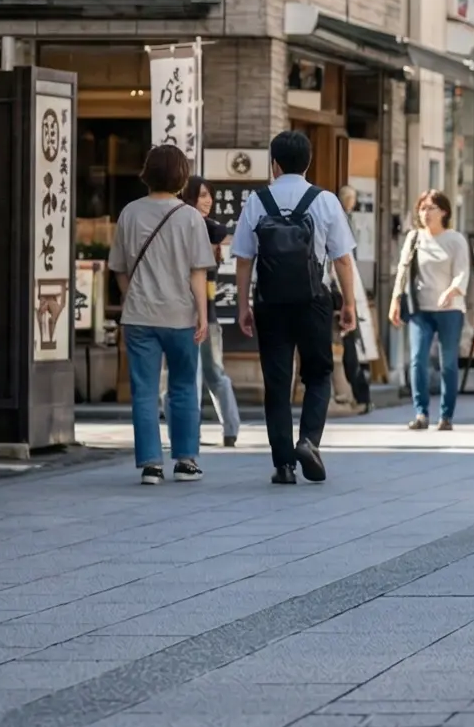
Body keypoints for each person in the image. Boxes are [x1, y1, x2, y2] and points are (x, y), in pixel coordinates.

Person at [231, 130, 362, 485]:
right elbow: (343, 260)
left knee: (277, 381)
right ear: (309, 162)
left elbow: (244, 259)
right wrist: (348, 303)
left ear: (274, 163)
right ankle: (308, 441)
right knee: (318, 374)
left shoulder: (258, 201)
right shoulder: (325, 200)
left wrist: (243, 305)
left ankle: (283, 465)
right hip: (314, 300)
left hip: (270, 302)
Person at [110, 145, 215, 486]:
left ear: (147, 172)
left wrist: (133, 298)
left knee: (144, 390)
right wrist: (202, 314)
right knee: (183, 386)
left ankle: (151, 465)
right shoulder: (189, 218)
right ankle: (185, 461)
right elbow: (198, 272)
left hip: (139, 316)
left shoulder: (129, 213)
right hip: (181, 315)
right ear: (182, 177)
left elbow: (120, 269)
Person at [392, 191, 474, 431]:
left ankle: (446, 416)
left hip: (450, 309)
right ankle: (421, 414)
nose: (425, 213)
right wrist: (395, 300)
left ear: (444, 212)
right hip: (420, 309)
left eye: (430, 208)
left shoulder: (455, 239)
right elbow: (402, 270)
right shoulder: (414, 238)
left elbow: (462, 272)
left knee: (448, 361)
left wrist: (450, 291)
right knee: (417, 360)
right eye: (422, 208)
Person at [180, 178, 242, 447]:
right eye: (202, 195)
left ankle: (230, 428)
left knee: (212, 372)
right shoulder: (187, 226)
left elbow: (223, 231)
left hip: (208, 315)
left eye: (210, 196)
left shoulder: (208, 228)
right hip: (184, 314)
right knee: (192, 374)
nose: (208, 201)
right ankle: (192, 431)